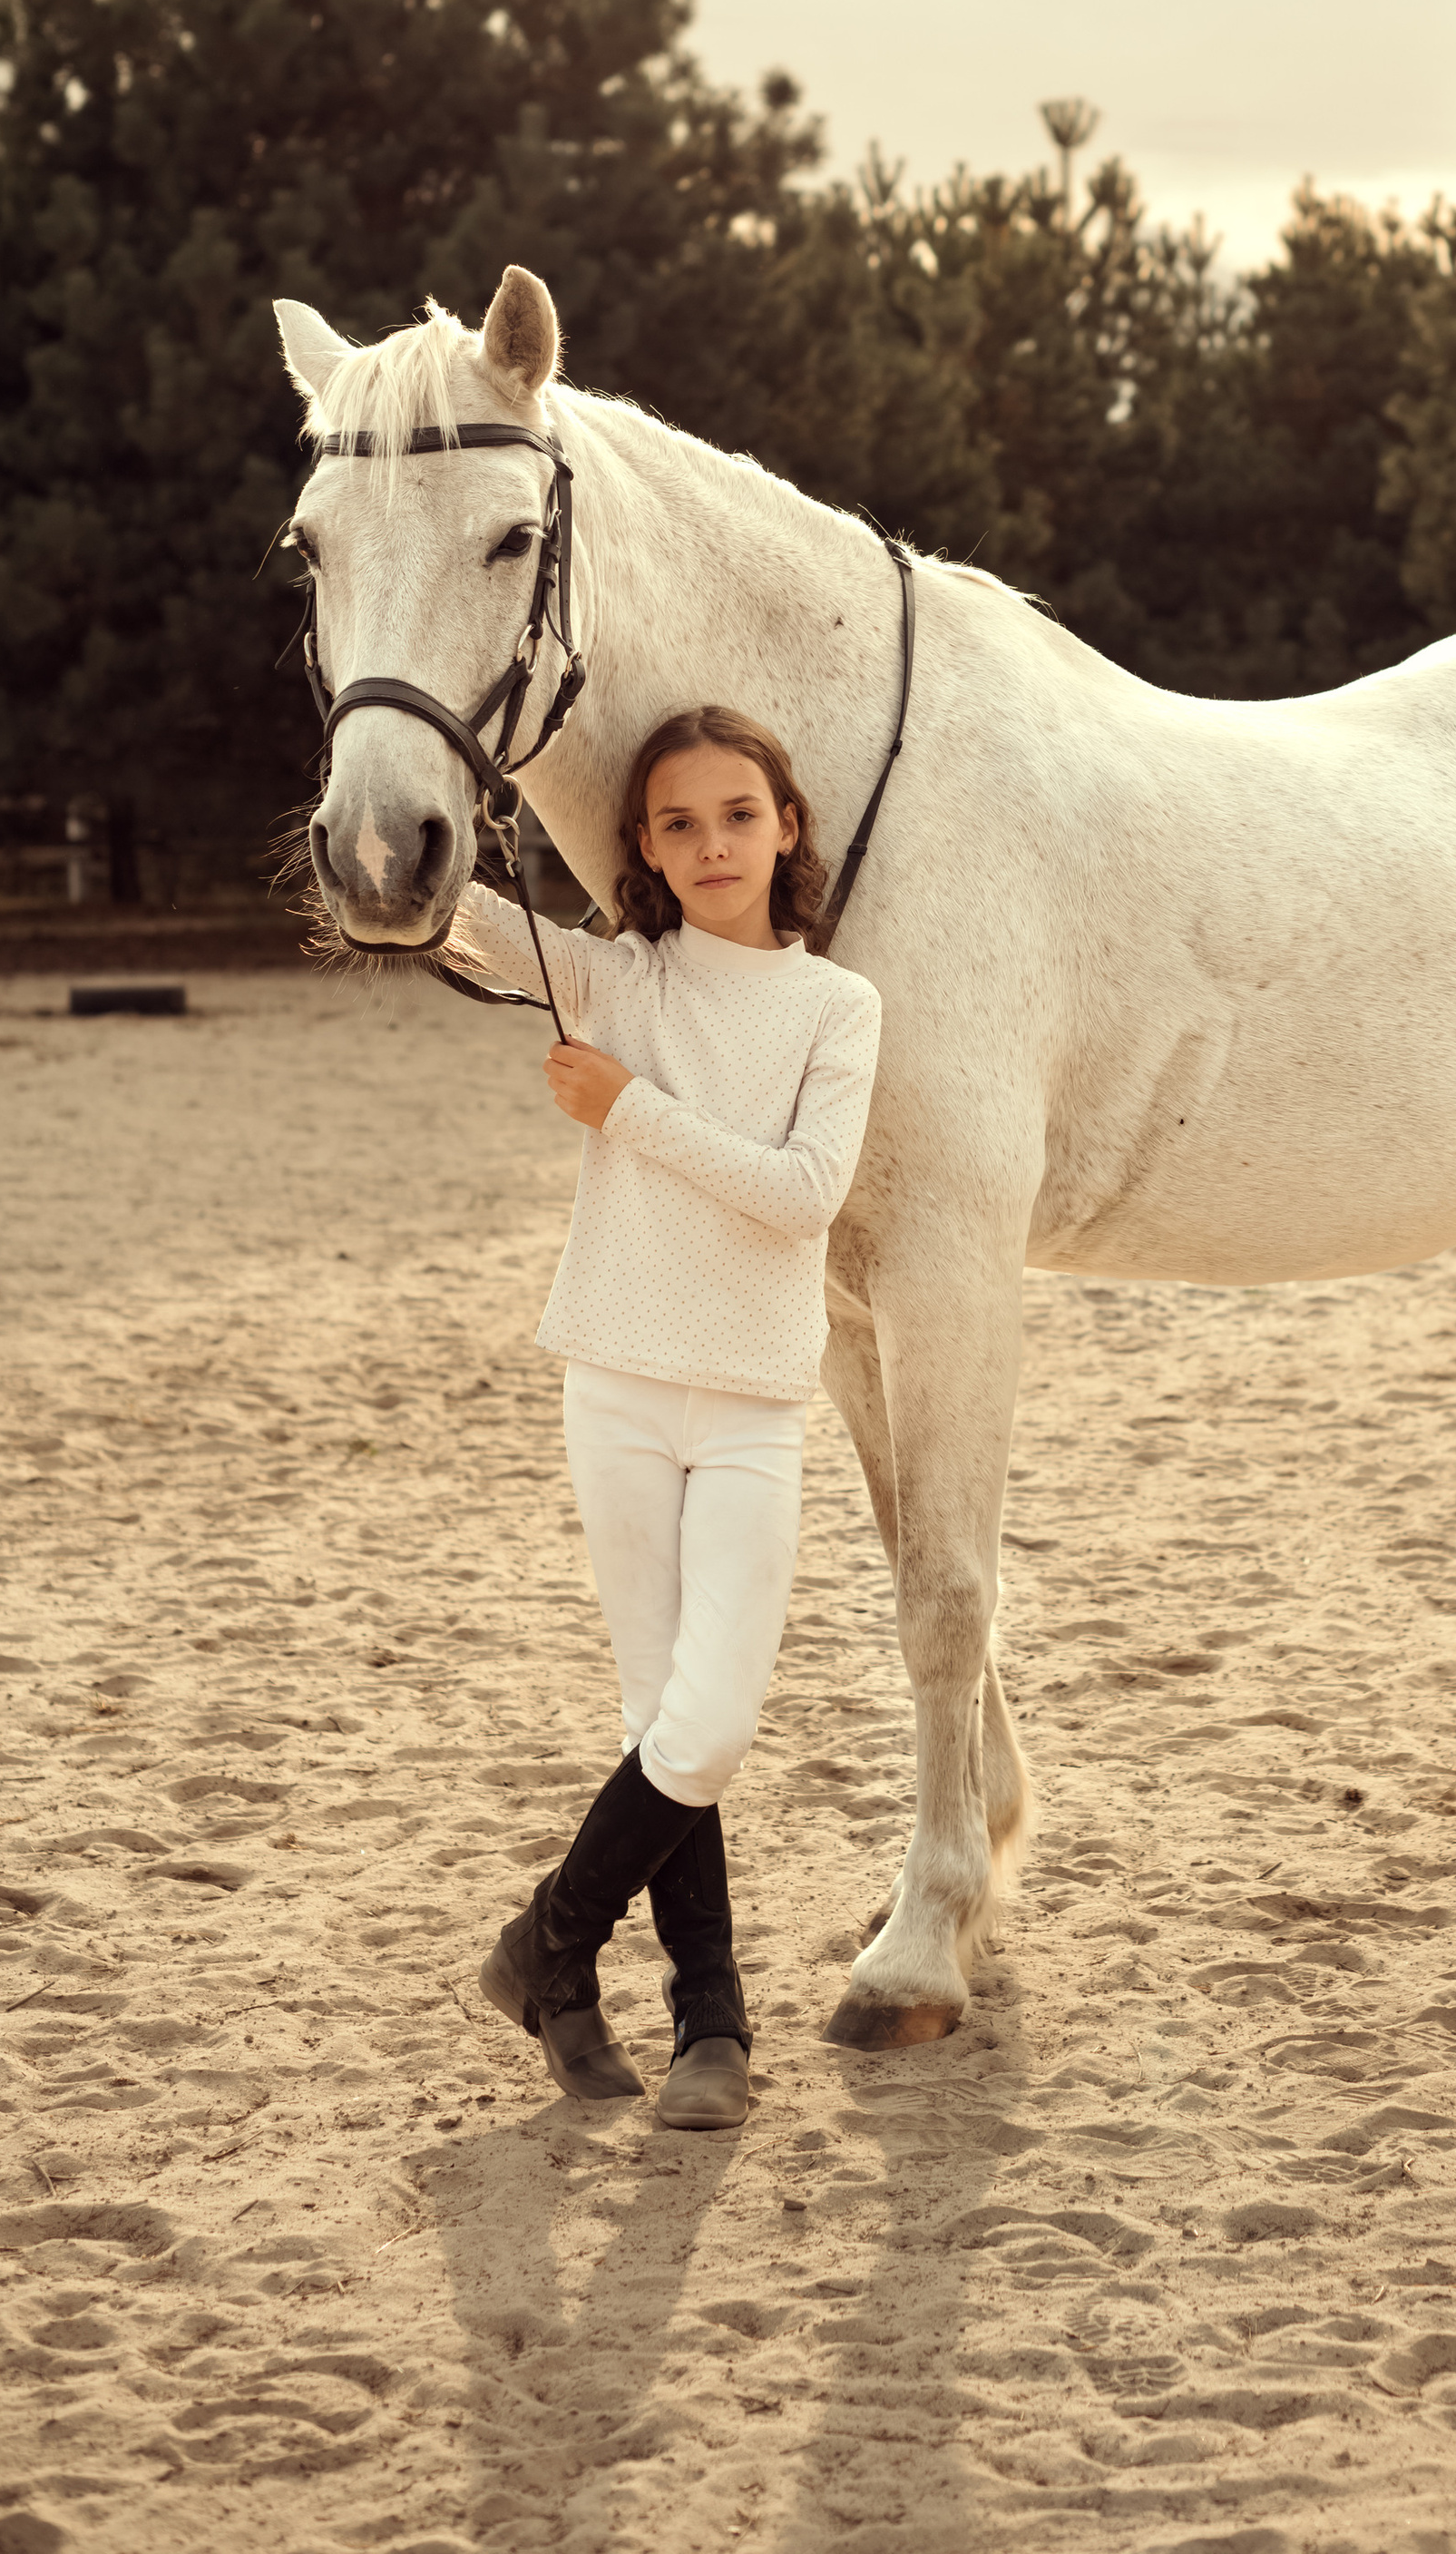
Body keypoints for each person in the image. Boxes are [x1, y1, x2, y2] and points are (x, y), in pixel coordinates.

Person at [459, 707, 882, 2129]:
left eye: (738, 816)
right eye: (678, 822)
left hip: (756, 1402)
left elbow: (803, 1196)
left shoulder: (838, 1008)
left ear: (787, 828)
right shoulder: (609, 978)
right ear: (639, 844)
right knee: (659, 1716)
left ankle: (546, 1948)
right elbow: (435, 914)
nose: (712, 845)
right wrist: (407, 756)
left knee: (703, 1732)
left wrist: (628, 1108)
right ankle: (715, 2024)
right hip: (619, 1386)